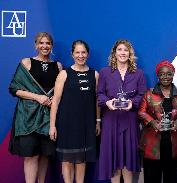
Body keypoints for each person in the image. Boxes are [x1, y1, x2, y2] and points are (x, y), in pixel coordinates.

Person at [8, 32, 62, 183]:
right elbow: (14, 89)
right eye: (41, 43)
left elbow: (59, 92)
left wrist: (53, 100)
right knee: (31, 155)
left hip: (48, 118)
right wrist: (38, 97)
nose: (44, 46)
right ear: (36, 45)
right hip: (28, 118)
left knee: (45, 155)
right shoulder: (26, 62)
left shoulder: (57, 66)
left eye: (48, 43)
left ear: (51, 46)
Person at [49, 40, 100, 183]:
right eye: (77, 52)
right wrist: (52, 126)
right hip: (66, 124)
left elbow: (97, 101)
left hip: (86, 125)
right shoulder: (64, 74)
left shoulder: (94, 75)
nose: (80, 55)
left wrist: (98, 121)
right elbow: (56, 101)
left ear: (88, 54)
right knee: (67, 160)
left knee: (81, 159)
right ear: (72, 54)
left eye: (83, 52)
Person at [97, 40, 147, 183]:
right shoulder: (105, 72)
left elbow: (142, 95)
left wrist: (132, 103)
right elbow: (99, 94)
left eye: (126, 50)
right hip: (110, 120)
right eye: (119, 49)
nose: (123, 53)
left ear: (130, 53)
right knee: (113, 159)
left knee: (128, 158)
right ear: (114, 53)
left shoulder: (139, 74)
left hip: (130, 120)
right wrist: (107, 102)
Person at [138, 60, 177, 183]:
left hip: (173, 143)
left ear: (173, 74)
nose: (165, 77)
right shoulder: (149, 94)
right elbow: (141, 112)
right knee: (151, 178)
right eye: (162, 74)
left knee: (171, 178)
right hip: (152, 143)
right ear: (158, 75)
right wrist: (152, 122)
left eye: (168, 74)